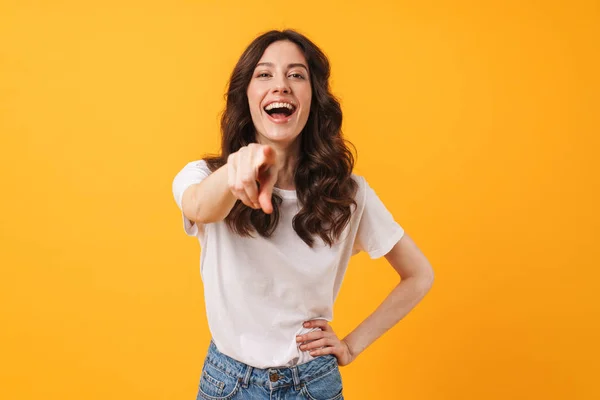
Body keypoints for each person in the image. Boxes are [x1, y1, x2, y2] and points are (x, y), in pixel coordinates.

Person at [172, 29, 434, 400]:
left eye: (296, 75)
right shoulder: (204, 176)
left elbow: (419, 275)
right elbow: (199, 206)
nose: (280, 85)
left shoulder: (348, 194)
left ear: (314, 96)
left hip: (312, 385)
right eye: (264, 75)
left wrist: (351, 345)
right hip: (227, 384)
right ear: (245, 95)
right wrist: (236, 170)